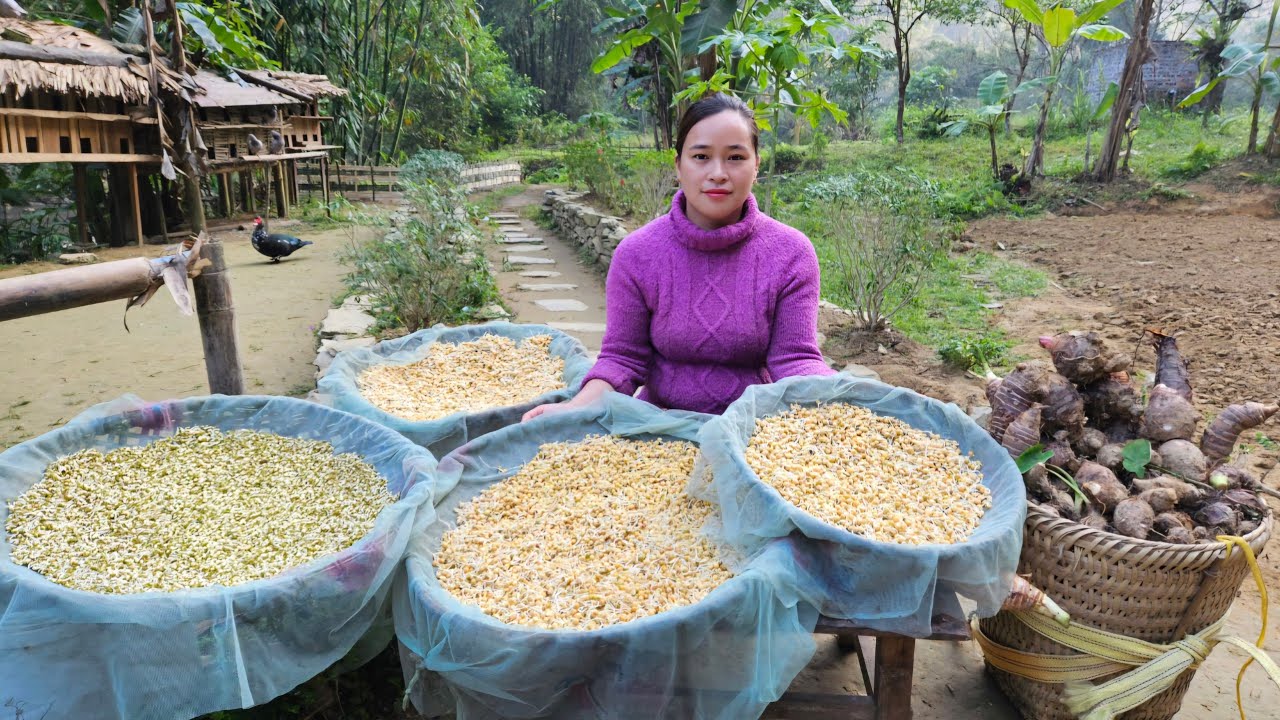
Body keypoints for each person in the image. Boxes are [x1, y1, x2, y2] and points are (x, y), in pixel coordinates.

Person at [523, 93, 834, 420]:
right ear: (678, 166)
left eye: (735, 157)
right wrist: (575, 408)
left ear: (756, 164)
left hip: (755, 433)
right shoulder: (637, 255)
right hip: (657, 430)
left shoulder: (791, 254)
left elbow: (795, 360)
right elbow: (622, 360)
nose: (718, 173)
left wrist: (849, 402)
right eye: (701, 156)